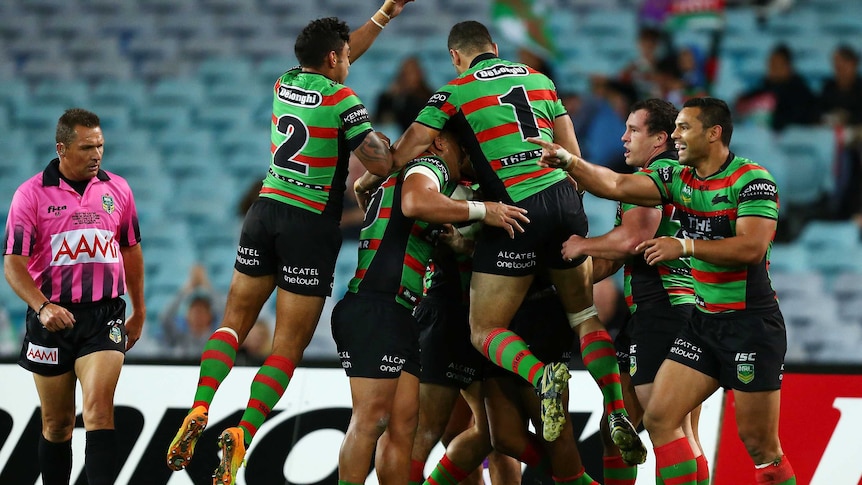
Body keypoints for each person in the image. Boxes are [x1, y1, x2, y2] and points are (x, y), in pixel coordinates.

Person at [165, 3, 417, 484]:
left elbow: (338, 59)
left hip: (264, 211)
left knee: (233, 324)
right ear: (332, 61)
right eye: (343, 56)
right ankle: (243, 433)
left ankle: (201, 405)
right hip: (310, 223)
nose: (348, 60)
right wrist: (398, 144)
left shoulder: (286, 82)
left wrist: (384, 14)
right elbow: (382, 166)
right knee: (286, 347)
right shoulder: (345, 101)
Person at [389, 21, 644, 459]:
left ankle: (540, 375)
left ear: (456, 57)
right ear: (495, 47)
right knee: (584, 315)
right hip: (564, 201)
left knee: (484, 328)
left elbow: (404, 151)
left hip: (514, 211)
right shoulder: (540, 80)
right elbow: (573, 157)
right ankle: (617, 407)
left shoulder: (452, 92)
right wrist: (563, 210)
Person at [530, 97, 797, 484]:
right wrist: (570, 162)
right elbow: (617, 183)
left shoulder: (752, 180)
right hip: (701, 323)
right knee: (660, 419)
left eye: (684, 128)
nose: (676, 137)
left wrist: (684, 246)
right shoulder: (679, 179)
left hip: (748, 324)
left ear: (714, 133)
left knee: (760, 447)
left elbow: (751, 249)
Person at [334, 126, 526, 484]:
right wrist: (483, 210)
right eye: (463, 147)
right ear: (441, 142)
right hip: (377, 306)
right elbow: (414, 203)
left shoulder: (405, 179)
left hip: (400, 311)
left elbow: (395, 214)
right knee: (371, 419)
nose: (466, 156)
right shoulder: (427, 165)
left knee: (403, 428)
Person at [559, 99, 708, 484]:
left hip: (663, 311)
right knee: (624, 429)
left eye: (634, 130)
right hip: (677, 310)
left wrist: (581, 245)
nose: (623, 137)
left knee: (665, 426)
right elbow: (624, 254)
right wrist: (566, 279)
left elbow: (632, 239)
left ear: (660, 138)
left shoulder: (654, 178)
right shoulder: (683, 176)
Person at [3, 108, 145, 485]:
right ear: (61, 149)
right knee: (58, 424)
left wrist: (140, 310)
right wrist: (43, 306)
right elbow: (13, 264)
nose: (96, 154)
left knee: (99, 412)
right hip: (51, 320)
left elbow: (131, 250)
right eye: (86, 148)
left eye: (100, 145)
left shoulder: (119, 190)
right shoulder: (30, 195)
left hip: (104, 316)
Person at [735, 43, 817, 131]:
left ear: (788, 66)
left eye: (776, 63)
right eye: (770, 63)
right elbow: (743, 102)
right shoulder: (765, 86)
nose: (772, 68)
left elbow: (801, 117)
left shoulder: (800, 92)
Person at [160, 263, 223, 359]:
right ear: (187, 315)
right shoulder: (180, 338)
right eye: (194, 311)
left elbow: (226, 314)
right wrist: (185, 289)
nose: (197, 316)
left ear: (210, 316)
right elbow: (165, 318)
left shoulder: (216, 338)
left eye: (201, 311)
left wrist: (207, 285)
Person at [375, 56, 434, 133]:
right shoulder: (393, 98)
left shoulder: (428, 98)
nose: (407, 77)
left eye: (411, 73)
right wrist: (390, 97)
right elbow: (381, 118)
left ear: (419, 74)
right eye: (404, 73)